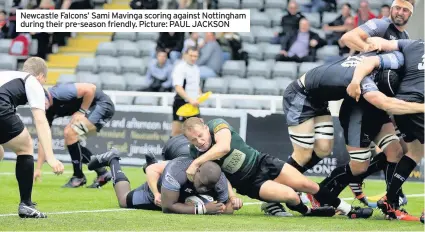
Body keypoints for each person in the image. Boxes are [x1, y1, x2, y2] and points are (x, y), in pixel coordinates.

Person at [182, 117, 370, 218]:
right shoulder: (195, 152)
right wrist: (232, 196)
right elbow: (220, 176)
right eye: (194, 140)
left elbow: (223, 147)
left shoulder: (217, 125)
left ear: (205, 127)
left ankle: (349, 210)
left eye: (200, 135)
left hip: (262, 162)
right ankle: (309, 212)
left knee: (307, 185)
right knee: (290, 195)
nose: (200, 141)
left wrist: (196, 163)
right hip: (249, 183)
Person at [340, 0, 415, 204]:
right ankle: (326, 191)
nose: (400, 12)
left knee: (399, 150)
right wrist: (368, 48)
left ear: (410, 14)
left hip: (381, 103)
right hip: (363, 99)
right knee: (360, 166)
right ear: (391, 9)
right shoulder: (381, 25)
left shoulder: (405, 37)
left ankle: (392, 198)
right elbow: (348, 37)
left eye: (405, 10)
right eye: (397, 7)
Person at [346, 38, 424, 220]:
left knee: (415, 152)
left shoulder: (412, 43)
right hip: (419, 103)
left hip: (400, 105)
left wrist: (374, 44)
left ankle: (389, 199)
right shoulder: (412, 44)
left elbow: (380, 42)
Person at [0, 57, 64, 218]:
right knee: (25, 146)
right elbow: (40, 121)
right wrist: (51, 157)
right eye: (44, 80)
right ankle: (26, 204)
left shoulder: (8, 74)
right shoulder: (33, 81)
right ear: (41, 76)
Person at [87, 148, 243, 214]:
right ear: (197, 170)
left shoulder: (219, 180)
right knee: (123, 200)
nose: (202, 189)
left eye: (207, 186)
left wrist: (234, 204)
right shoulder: (177, 172)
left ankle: (151, 163)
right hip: (161, 192)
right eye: (200, 183)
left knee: (156, 168)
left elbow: (224, 208)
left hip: (176, 191)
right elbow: (168, 207)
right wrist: (202, 209)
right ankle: (113, 159)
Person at [34, 82, 115, 188]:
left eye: (42, 101)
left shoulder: (60, 92)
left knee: (70, 132)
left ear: (46, 95)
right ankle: (102, 173)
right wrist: (38, 168)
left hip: (102, 105)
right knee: (71, 141)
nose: (42, 105)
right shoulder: (46, 111)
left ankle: (78, 177)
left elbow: (91, 88)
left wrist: (81, 111)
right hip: (93, 108)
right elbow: (43, 139)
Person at [171, 46, 203, 137]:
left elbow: (196, 85)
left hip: (194, 104)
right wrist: (190, 99)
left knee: (198, 130)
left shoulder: (196, 69)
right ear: (185, 55)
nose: (193, 58)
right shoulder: (180, 68)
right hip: (181, 102)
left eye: (195, 56)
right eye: (191, 55)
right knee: (177, 132)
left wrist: (200, 95)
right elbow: (178, 87)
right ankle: (172, 150)